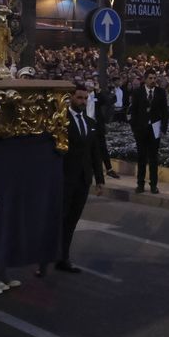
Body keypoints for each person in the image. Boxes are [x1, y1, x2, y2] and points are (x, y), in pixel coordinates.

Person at [52, 84, 105, 274]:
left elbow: (95, 153)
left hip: (83, 180)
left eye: (85, 98)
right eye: (79, 98)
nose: (82, 102)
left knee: (72, 220)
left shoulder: (90, 123)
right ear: (71, 98)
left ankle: (63, 258)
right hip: (65, 179)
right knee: (58, 219)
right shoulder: (62, 121)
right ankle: (45, 257)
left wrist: (99, 179)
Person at [129, 72, 169, 194]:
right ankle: (140, 184)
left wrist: (163, 128)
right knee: (141, 157)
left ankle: (153, 185)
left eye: (154, 78)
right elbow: (133, 111)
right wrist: (135, 128)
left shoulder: (160, 92)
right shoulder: (137, 92)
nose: (153, 80)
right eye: (150, 78)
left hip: (155, 128)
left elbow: (164, 111)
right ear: (145, 79)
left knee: (153, 158)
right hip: (141, 129)